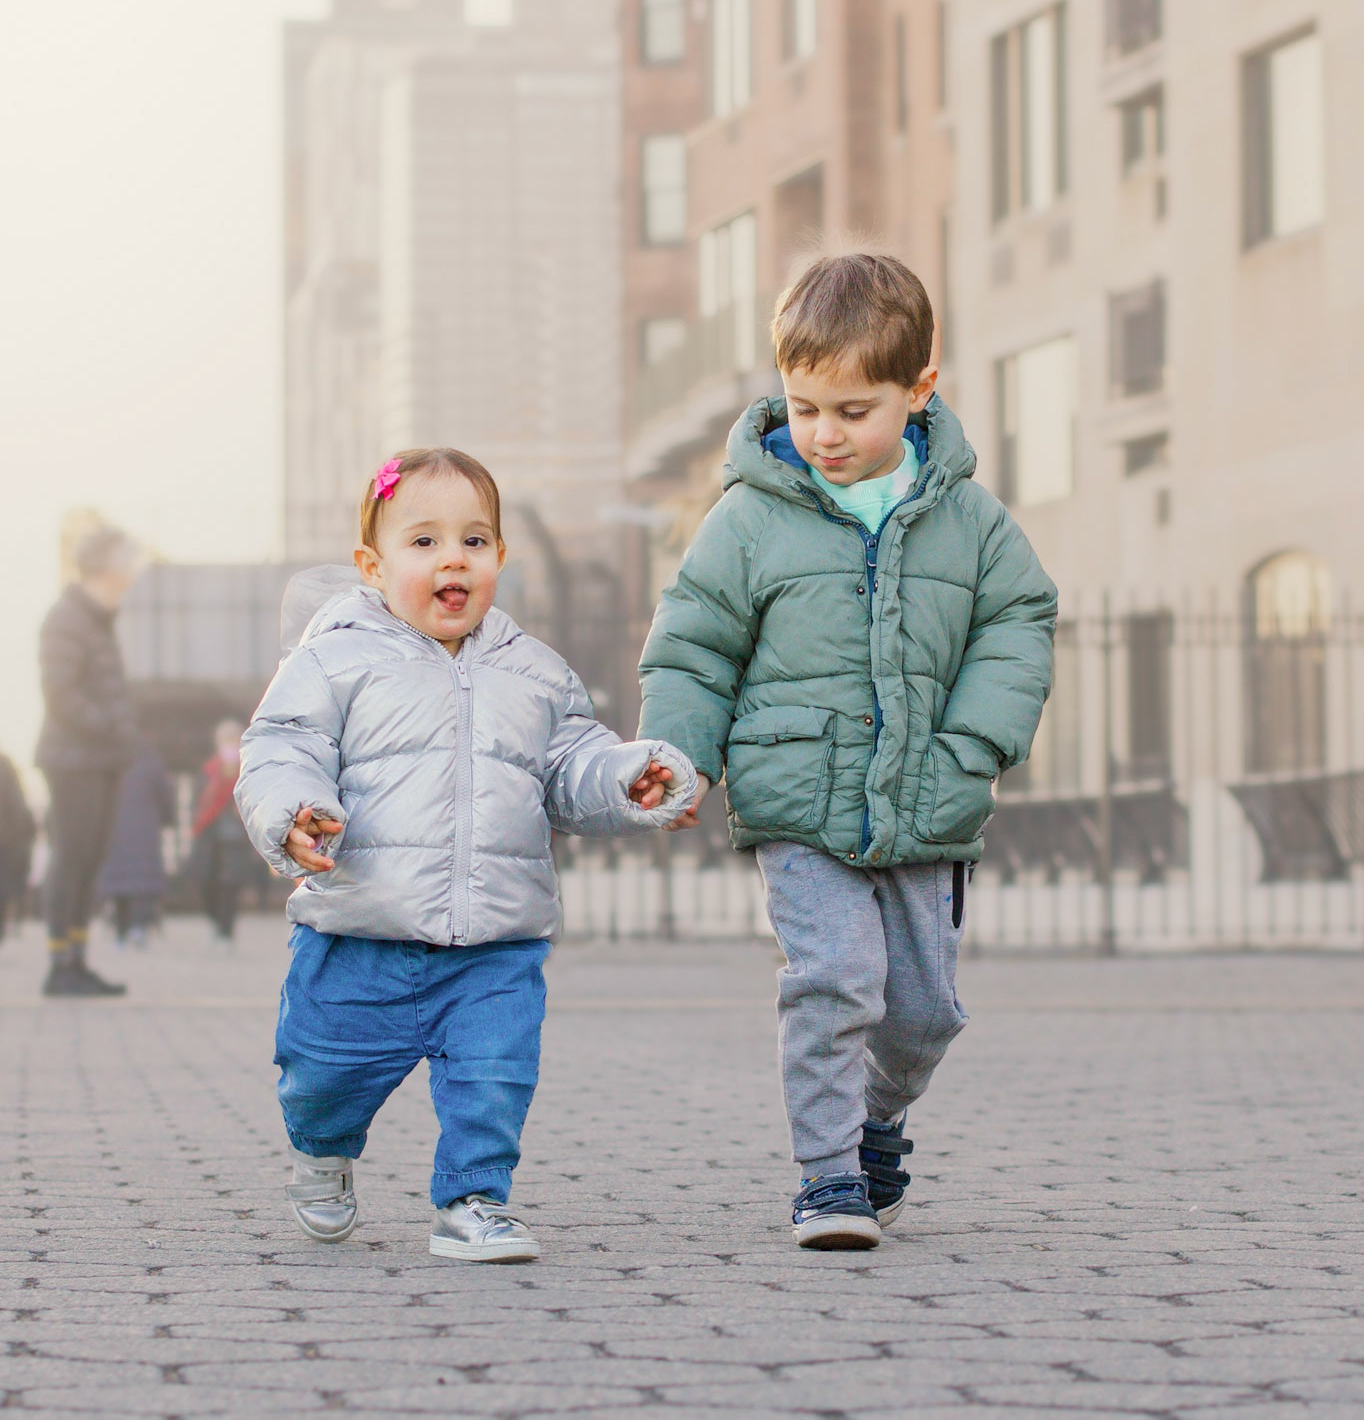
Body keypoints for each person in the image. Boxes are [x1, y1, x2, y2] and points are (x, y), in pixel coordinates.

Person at [638, 253, 1057, 1251]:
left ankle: (876, 1122)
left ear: (919, 391)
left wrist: (972, 743)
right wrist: (681, 757)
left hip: (927, 800)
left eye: (852, 410)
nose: (822, 433)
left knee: (922, 1014)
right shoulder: (748, 519)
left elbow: (1018, 625)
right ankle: (828, 1178)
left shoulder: (970, 521)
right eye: (803, 407)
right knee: (834, 979)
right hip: (797, 800)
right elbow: (694, 645)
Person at [235, 446, 697, 1264]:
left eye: (473, 541)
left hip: (494, 942)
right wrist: (292, 813)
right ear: (373, 567)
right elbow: (281, 748)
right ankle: (321, 1150)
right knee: (322, 1078)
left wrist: (629, 778)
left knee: (494, 1077)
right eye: (424, 542)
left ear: (500, 558)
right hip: (358, 936)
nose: (453, 558)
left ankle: (473, 1200)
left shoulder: (535, 673)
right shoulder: (332, 661)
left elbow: (571, 767)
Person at [35, 526, 143, 996]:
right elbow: (60, 694)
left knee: (90, 861)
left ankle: (77, 961)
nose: (131, 574)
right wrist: (110, 725)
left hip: (99, 760)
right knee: (71, 859)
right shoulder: (68, 619)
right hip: (71, 760)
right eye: (125, 564)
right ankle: (60, 965)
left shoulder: (97, 620)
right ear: (104, 568)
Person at [187, 718, 260, 943]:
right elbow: (199, 802)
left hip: (236, 836)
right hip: (210, 834)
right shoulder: (209, 770)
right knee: (207, 880)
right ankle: (215, 920)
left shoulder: (248, 770)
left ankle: (226, 929)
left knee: (231, 883)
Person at [98, 742, 175, 945]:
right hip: (145, 827)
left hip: (114, 826)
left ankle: (120, 931)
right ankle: (138, 926)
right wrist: (167, 819)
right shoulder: (151, 761)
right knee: (142, 880)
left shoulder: (108, 756)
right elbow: (166, 796)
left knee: (118, 879)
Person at [0, 754, 37, 940]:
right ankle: (8, 925)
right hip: (9, 839)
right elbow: (17, 804)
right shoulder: (5, 764)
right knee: (7, 885)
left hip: (8, 838)